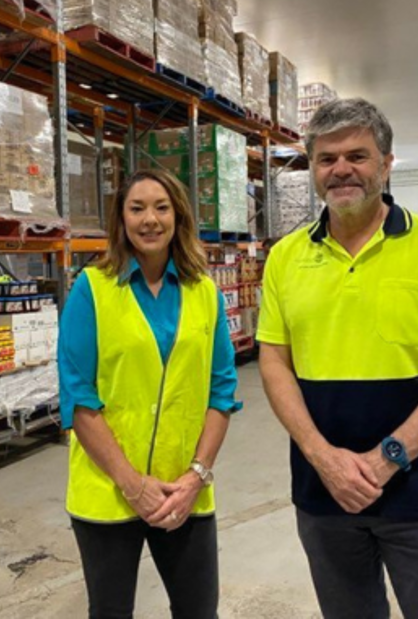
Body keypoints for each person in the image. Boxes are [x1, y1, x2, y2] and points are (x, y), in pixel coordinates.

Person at [257, 98, 418, 619]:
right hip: (324, 493)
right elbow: (274, 362)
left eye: (358, 156)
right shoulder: (285, 258)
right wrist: (323, 457)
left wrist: (385, 458)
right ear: (314, 170)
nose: (341, 169)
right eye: (326, 158)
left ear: (386, 164)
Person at [58, 168, 240, 619]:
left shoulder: (206, 293)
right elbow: (78, 396)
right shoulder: (93, 289)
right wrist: (132, 484)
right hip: (108, 488)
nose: (149, 219)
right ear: (121, 219)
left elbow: (222, 392)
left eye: (161, 207)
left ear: (178, 216)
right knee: (111, 611)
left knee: (199, 611)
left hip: (184, 489)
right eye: (136, 208)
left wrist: (197, 476)